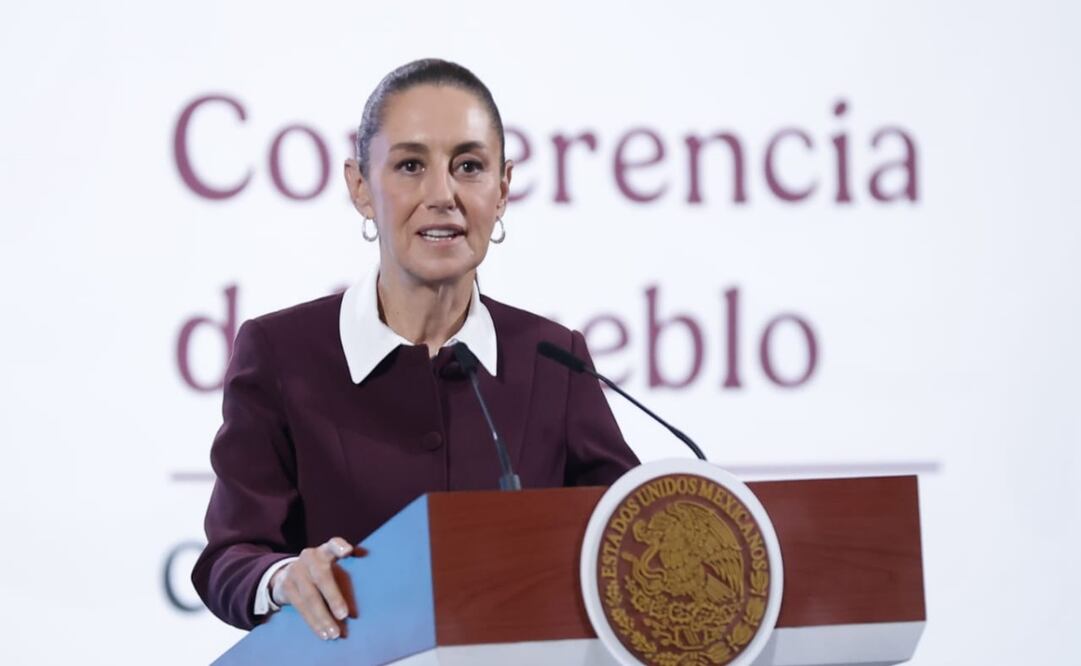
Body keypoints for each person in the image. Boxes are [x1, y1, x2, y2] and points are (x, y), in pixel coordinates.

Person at [191, 58, 639, 640]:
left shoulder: (553, 358)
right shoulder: (281, 354)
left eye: (469, 167)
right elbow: (231, 557)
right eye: (409, 165)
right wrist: (284, 578)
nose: (443, 195)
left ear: (502, 189)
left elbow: (631, 535)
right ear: (360, 187)